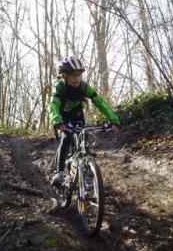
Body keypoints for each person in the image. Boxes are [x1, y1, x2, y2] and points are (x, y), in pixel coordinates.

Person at [48, 56, 120, 186]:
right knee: (67, 136)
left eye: (79, 74)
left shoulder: (84, 87)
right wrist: (56, 120)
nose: (77, 78)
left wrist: (113, 119)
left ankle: (86, 172)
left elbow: (100, 102)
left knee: (84, 137)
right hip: (63, 117)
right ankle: (59, 172)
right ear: (64, 75)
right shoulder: (60, 87)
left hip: (78, 115)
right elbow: (53, 104)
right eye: (73, 74)